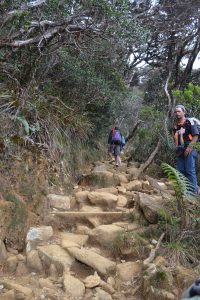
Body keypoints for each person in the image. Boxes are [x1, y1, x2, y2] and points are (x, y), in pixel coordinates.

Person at [173, 104, 199, 194]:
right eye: (176, 112)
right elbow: (175, 139)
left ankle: (193, 193)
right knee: (180, 171)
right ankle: (183, 192)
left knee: (190, 170)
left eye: (179, 111)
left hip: (190, 149)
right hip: (180, 151)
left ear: (184, 112)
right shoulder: (176, 126)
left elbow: (196, 136)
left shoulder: (189, 122)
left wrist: (189, 148)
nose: (177, 113)